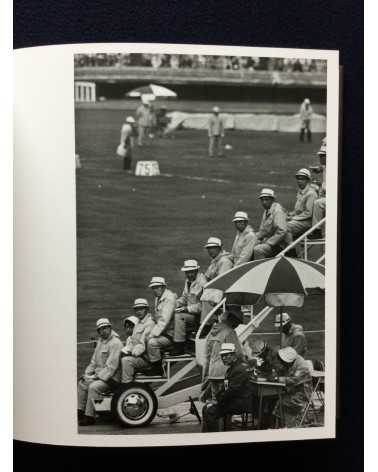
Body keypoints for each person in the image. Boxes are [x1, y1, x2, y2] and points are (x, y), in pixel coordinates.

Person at [77, 318, 123, 426]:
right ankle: (80, 411)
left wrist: (94, 377)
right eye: (100, 329)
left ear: (110, 328)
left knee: (93, 387)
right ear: (98, 331)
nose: (103, 331)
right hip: (99, 376)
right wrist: (86, 374)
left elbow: (111, 368)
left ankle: (90, 416)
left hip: (112, 379)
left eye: (105, 328)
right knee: (82, 383)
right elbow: (93, 362)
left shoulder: (116, 343)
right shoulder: (100, 341)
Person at [201, 343, 253, 432]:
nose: (223, 358)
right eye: (222, 356)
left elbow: (232, 391)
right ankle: (209, 435)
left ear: (234, 355)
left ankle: (213, 438)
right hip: (234, 400)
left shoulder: (239, 369)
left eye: (226, 355)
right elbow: (226, 388)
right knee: (206, 408)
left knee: (210, 411)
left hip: (240, 402)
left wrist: (218, 402)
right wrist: (216, 399)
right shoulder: (233, 368)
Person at [202, 306, 245, 401]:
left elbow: (208, 353)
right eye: (238, 323)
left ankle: (212, 414)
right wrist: (247, 362)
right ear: (232, 320)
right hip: (225, 372)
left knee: (215, 401)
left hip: (212, 371)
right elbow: (238, 353)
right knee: (226, 401)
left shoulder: (212, 331)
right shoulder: (229, 332)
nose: (237, 325)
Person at [172, 259, 207, 356]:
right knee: (171, 312)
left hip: (199, 317)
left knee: (179, 317)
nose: (189, 274)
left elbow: (203, 306)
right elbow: (184, 297)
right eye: (187, 272)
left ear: (196, 271)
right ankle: (173, 340)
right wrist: (174, 304)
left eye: (191, 272)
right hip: (191, 313)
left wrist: (187, 309)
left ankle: (179, 346)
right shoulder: (188, 281)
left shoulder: (202, 283)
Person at [273, 347, 312, 427]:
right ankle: (280, 425)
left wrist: (280, 378)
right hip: (292, 390)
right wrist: (275, 374)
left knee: (280, 402)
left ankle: (285, 425)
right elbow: (282, 370)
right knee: (273, 398)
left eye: (283, 361)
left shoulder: (302, 366)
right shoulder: (291, 360)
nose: (282, 363)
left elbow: (294, 380)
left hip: (302, 394)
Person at [146, 277, 177, 375]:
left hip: (171, 335)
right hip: (163, 332)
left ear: (163, 287)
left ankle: (157, 369)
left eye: (157, 287)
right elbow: (157, 318)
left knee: (151, 343)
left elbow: (164, 321)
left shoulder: (169, 298)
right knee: (145, 337)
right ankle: (150, 365)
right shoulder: (158, 298)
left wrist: (152, 334)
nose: (154, 290)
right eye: (153, 288)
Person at [121, 299, 156, 383]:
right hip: (139, 356)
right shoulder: (138, 324)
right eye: (136, 309)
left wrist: (130, 352)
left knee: (126, 361)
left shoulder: (150, 324)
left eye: (141, 309)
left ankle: (126, 386)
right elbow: (132, 342)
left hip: (147, 359)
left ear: (147, 310)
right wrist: (123, 351)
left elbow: (142, 345)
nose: (138, 312)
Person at [200, 237, 233, 322]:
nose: (210, 251)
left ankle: (206, 324)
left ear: (219, 248)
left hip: (224, 293)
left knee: (205, 296)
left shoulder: (224, 261)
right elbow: (206, 277)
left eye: (213, 248)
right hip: (216, 290)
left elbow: (222, 282)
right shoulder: (215, 261)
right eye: (209, 248)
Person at [254, 189, 288, 259]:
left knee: (258, 250)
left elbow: (282, 231)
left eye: (266, 200)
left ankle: (262, 269)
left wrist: (268, 243)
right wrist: (253, 238)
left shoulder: (278, 211)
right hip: (270, 242)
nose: (264, 202)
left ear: (272, 200)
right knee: (249, 244)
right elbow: (263, 230)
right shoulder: (267, 210)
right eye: (262, 200)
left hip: (278, 245)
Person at [286, 168, 318, 243]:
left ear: (308, 180)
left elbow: (308, 213)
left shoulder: (311, 193)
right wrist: (290, 214)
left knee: (285, 227)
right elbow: (298, 210)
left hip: (307, 222)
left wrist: (293, 218)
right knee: (278, 223)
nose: (299, 181)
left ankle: (291, 251)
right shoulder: (300, 192)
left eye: (302, 179)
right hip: (300, 220)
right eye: (298, 179)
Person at [310, 137, 327, 239]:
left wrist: (320, 185)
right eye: (320, 156)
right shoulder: (326, 166)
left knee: (318, 203)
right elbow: (323, 167)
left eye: (322, 156)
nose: (320, 158)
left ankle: (316, 230)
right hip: (326, 194)